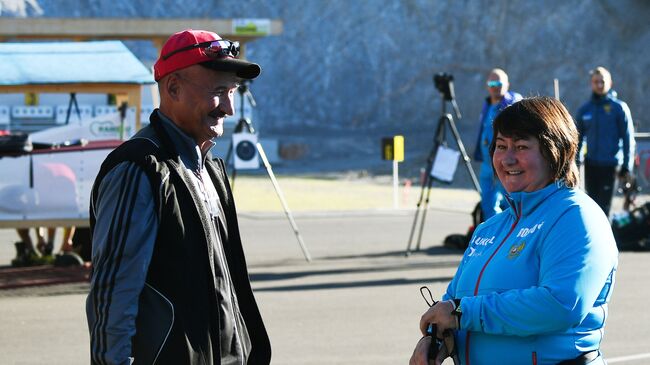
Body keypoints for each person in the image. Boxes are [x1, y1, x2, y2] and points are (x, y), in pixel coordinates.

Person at [86, 29, 271, 364]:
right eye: (218, 92)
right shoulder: (138, 170)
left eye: (232, 92)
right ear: (172, 88)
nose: (229, 108)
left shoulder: (211, 168)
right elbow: (114, 296)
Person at [410, 97, 618, 365]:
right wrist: (436, 340)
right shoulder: (491, 228)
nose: (507, 159)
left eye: (521, 146)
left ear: (554, 151)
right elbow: (452, 303)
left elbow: (561, 305)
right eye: (500, 146)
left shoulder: (575, 216)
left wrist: (462, 313)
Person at [576, 66, 635, 216]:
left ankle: (607, 239)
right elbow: (578, 139)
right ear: (591, 83)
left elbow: (628, 138)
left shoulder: (619, 108)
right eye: (596, 81)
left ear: (610, 83)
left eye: (602, 81)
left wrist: (627, 166)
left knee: (604, 208)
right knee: (591, 206)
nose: (599, 85)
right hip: (591, 165)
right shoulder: (585, 110)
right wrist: (575, 162)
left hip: (611, 166)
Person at [473, 68, 522, 220]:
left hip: (506, 163)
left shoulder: (513, 104)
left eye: (499, 82)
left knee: (511, 204)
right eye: (492, 82)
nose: (496, 86)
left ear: (507, 84)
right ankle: (494, 239)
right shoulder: (487, 105)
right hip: (488, 165)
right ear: (487, 85)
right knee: (488, 204)